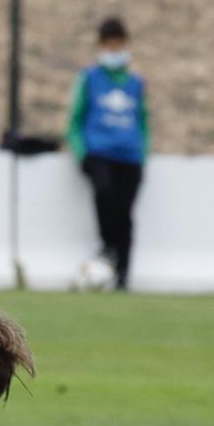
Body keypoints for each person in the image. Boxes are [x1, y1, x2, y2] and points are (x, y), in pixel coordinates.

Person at [66, 16, 148, 291]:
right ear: (101, 46)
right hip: (99, 151)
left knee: (125, 214)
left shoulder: (135, 83)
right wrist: (81, 151)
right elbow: (75, 118)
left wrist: (142, 152)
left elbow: (143, 120)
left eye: (118, 45)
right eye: (109, 45)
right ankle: (106, 247)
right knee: (104, 192)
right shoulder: (90, 79)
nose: (114, 51)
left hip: (130, 155)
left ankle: (123, 275)